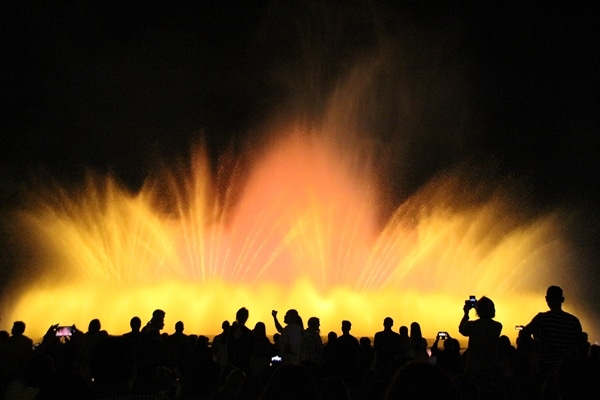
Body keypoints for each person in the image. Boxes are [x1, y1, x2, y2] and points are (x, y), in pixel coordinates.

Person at [521, 285, 583, 379]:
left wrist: (537, 345)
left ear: (547, 299)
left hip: (546, 367)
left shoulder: (541, 319)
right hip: (567, 369)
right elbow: (579, 345)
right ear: (562, 299)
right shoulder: (573, 321)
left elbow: (523, 333)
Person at [458, 296, 503, 397]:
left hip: (474, 368)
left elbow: (462, 329)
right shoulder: (497, 326)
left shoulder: (472, 326)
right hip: (491, 368)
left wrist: (466, 313)